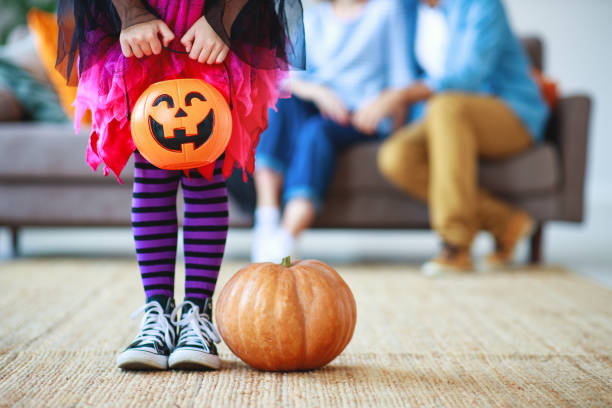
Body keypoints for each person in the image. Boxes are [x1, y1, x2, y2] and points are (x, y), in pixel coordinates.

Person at [56, 0, 303, 370]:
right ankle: (157, 311)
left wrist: (220, 18)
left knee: (204, 169)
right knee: (153, 173)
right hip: (143, 34)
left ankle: (196, 314)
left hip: (212, 32)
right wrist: (132, 14)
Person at [371, 0, 549, 274]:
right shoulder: (408, 11)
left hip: (511, 112)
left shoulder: (481, 5)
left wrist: (402, 95)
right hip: (445, 117)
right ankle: (506, 222)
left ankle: (456, 245)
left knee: (447, 105)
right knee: (396, 156)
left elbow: (468, 78)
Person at [251, 0, 412, 262]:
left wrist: (394, 128)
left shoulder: (386, 11)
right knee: (279, 104)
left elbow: (400, 77)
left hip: (362, 116)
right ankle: (266, 219)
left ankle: (287, 237)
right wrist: (320, 92)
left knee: (315, 133)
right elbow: (286, 75)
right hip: (319, 105)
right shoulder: (315, 18)